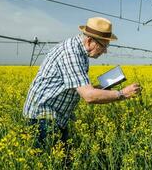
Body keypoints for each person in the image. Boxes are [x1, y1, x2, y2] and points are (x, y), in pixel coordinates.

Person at [23, 17, 141, 148]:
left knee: (63, 159)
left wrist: (104, 87)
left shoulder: (80, 52)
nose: (105, 51)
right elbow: (89, 96)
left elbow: (79, 88)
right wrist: (123, 94)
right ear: (90, 41)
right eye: (103, 46)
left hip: (55, 117)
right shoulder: (71, 54)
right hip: (43, 117)